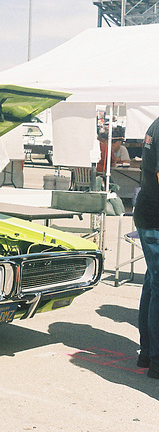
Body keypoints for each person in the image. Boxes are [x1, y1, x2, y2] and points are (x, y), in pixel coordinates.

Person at [134, 115, 159, 379]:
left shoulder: (157, 123)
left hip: (149, 215)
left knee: (153, 284)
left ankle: (148, 353)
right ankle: (156, 360)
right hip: (155, 220)